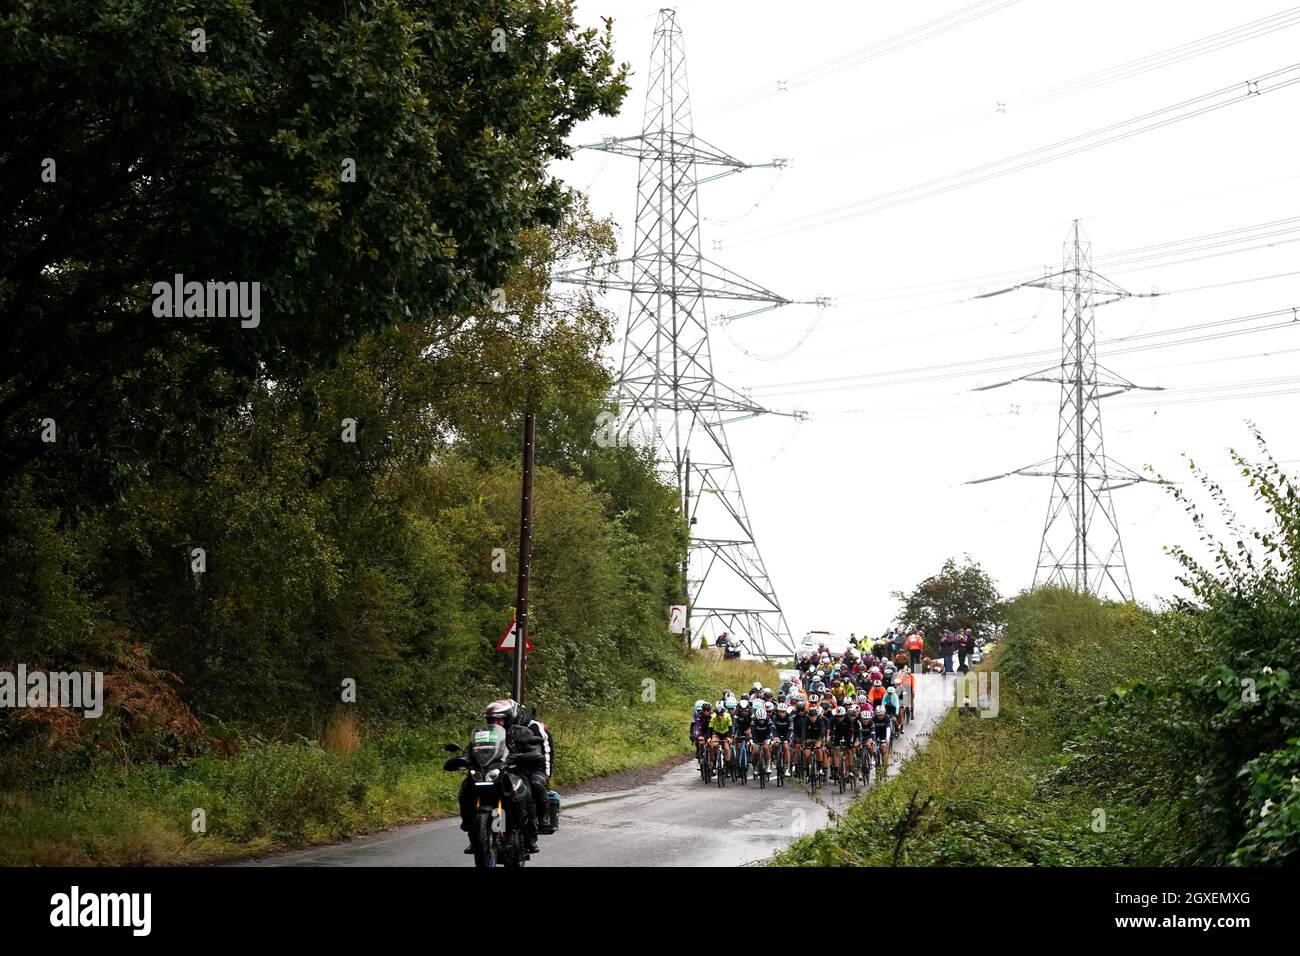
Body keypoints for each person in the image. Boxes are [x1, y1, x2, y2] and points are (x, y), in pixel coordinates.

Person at [458, 698, 545, 855]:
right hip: (487, 771)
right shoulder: (481, 734)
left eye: (499, 719)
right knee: (466, 788)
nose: (496, 722)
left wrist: (525, 756)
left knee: (527, 795)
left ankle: (529, 838)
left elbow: (535, 749)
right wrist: (463, 759)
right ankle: (474, 835)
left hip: (513, 771)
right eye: (492, 719)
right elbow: (470, 750)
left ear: (508, 718)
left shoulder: (520, 732)